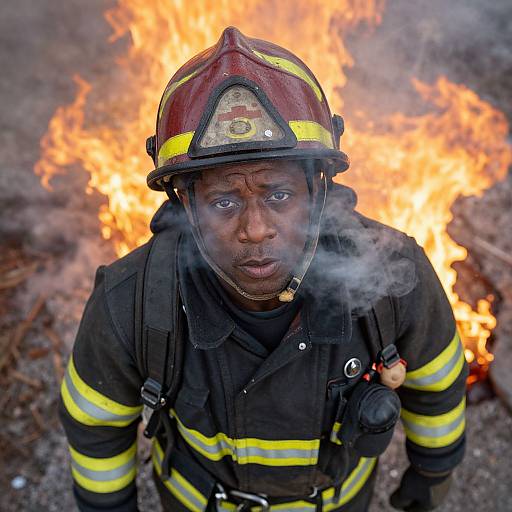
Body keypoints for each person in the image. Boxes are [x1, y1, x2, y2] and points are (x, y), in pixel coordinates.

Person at [59, 27, 468, 512]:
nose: (255, 230)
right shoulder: (132, 303)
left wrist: (434, 470)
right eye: (223, 201)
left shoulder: (391, 274)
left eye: (278, 195)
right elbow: (96, 432)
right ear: (186, 205)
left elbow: (438, 386)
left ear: (317, 192)